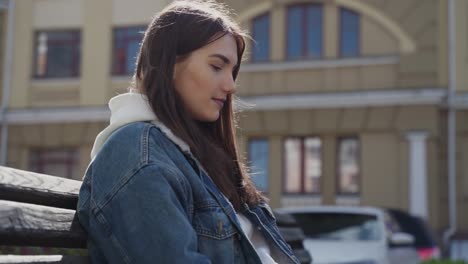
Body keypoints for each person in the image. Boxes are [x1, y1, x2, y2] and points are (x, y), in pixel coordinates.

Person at [77, 1, 300, 263]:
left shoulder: (196, 156)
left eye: (233, 71)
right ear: (170, 64)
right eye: (217, 67)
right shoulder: (135, 153)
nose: (230, 86)